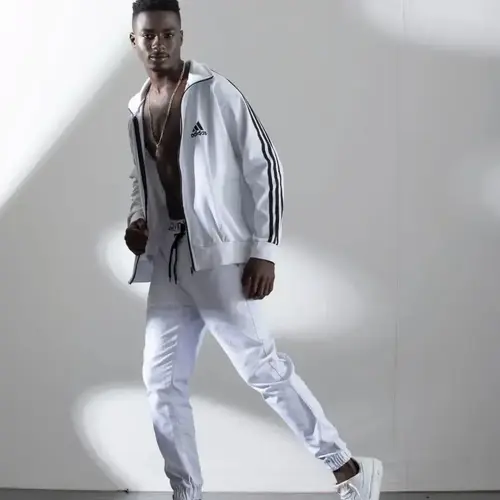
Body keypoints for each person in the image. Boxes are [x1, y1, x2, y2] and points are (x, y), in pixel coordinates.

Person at [124, 0, 383, 498]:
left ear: (181, 36)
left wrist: (264, 250)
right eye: (148, 36)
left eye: (167, 34)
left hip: (219, 255)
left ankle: (348, 469)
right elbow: (142, 179)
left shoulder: (213, 91)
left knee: (262, 369)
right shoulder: (136, 107)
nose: (158, 44)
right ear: (134, 42)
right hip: (169, 259)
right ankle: (185, 491)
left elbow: (265, 164)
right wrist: (138, 220)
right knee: (160, 383)